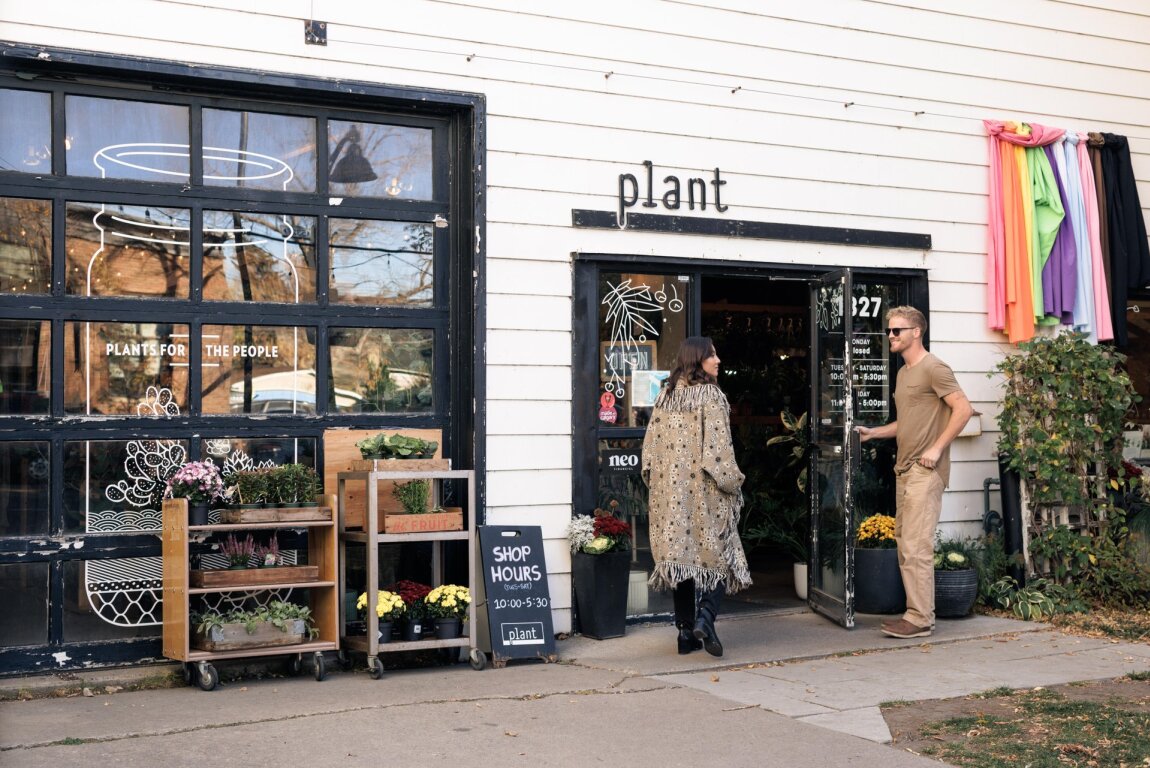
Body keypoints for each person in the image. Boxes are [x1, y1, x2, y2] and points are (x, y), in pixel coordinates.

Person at [857, 306, 973, 639]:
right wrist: (873, 433)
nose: (890, 336)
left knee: (917, 545)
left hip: (926, 470)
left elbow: (963, 410)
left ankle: (920, 618)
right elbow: (906, 423)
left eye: (897, 331)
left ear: (916, 332)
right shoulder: (904, 374)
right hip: (904, 469)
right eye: (889, 331)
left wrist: (937, 449)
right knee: (905, 543)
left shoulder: (934, 368)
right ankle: (915, 613)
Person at [641, 336, 752, 656]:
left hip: (669, 497)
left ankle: (684, 633)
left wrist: (661, 486)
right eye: (712, 355)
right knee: (721, 553)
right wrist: (735, 484)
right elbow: (717, 455)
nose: (718, 360)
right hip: (705, 495)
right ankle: (706, 617)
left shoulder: (665, 395)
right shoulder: (712, 396)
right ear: (696, 360)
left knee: (680, 560)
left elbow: (648, 454)